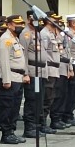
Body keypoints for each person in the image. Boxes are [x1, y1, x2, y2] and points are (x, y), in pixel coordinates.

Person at [0, 15, 29, 144]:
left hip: (18, 77)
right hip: (10, 77)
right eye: (17, 24)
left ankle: (11, 131)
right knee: (7, 106)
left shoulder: (14, 39)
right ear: (9, 25)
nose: (20, 26)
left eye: (22, 24)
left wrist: (25, 74)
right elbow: (4, 61)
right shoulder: (6, 39)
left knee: (15, 107)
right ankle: (6, 133)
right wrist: (6, 79)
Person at [19, 10, 47, 138]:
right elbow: (23, 55)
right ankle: (29, 127)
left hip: (40, 72)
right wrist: (25, 73)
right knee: (32, 100)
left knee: (39, 100)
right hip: (31, 71)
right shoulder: (25, 34)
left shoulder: (37, 33)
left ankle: (36, 126)